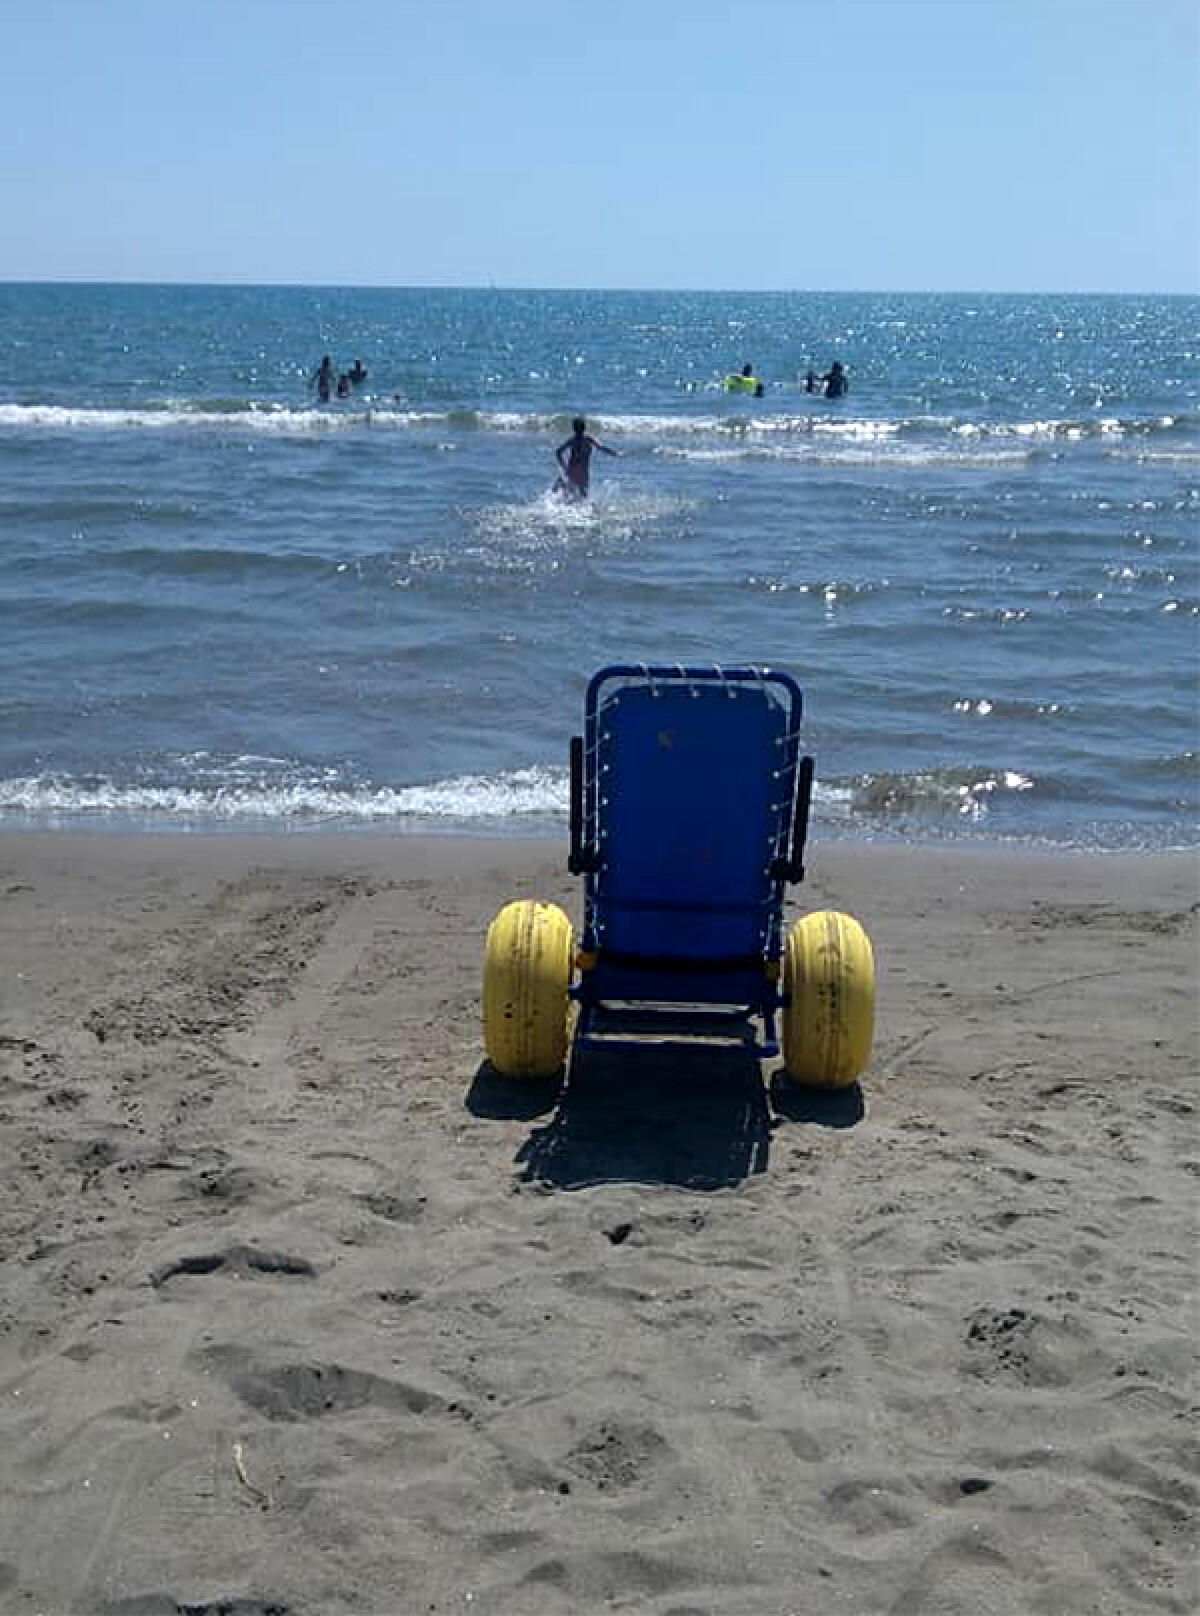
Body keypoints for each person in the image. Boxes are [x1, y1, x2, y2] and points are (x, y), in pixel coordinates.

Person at [555, 415, 617, 499]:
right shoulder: (588, 439)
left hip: (572, 469)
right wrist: (615, 453)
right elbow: (601, 447)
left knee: (566, 493)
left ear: (574, 429)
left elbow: (558, 452)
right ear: (584, 428)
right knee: (583, 497)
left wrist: (564, 466)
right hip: (583, 472)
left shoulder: (572, 440)